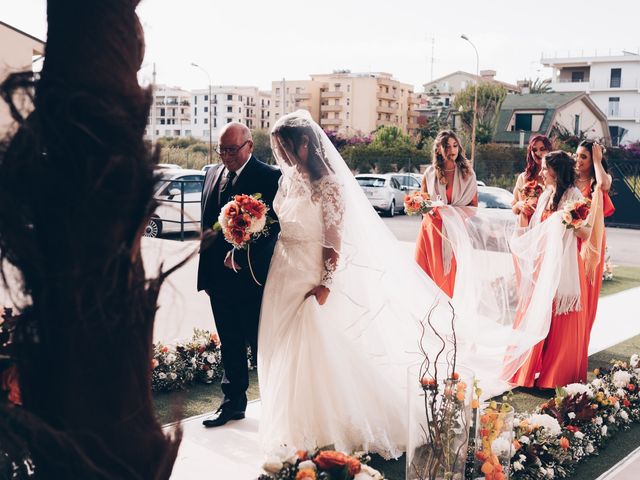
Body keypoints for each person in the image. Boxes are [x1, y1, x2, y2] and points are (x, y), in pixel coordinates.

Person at [197, 123, 281, 427]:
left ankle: (276, 407)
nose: (226, 155)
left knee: (261, 345)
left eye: (231, 149)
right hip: (217, 280)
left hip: (252, 278)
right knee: (229, 341)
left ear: (249, 146)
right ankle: (233, 402)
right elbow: (207, 223)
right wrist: (205, 272)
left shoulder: (270, 177)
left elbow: (274, 228)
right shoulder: (211, 173)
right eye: (221, 149)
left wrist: (243, 256)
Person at [511, 151, 591, 389]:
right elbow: (537, 228)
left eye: (546, 168)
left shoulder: (574, 195)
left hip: (564, 264)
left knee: (560, 319)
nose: (542, 172)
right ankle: (527, 371)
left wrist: (571, 222)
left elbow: (585, 233)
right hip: (543, 263)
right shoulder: (545, 195)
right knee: (537, 312)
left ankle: (555, 375)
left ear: (557, 170)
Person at [415, 130, 477, 297]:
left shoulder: (468, 174)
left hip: (452, 233)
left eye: (455, 146)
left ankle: (445, 318)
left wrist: (450, 212)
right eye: (447, 146)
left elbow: (473, 208)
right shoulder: (429, 174)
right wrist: (418, 204)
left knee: (447, 278)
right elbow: (424, 204)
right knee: (425, 280)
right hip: (430, 232)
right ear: (438, 150)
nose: (452, 150)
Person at [574, 140, 615, 374]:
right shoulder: (569, 178)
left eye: (584, 158)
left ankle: (580, 345)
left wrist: (598, 161)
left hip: (591, 242)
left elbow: (604, 184)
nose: (578, 161)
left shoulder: (595, 181)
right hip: (570, 239)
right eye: (577, 156)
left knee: (586, 293)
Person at [512, 135, 553, 227]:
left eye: (542, 149)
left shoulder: (555, 177)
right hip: (526, 226)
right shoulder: (523, 177)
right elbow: (514, 208)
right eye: (534, 150)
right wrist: (519, 205)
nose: (538, 153)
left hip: (547, 226)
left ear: (549, 150)